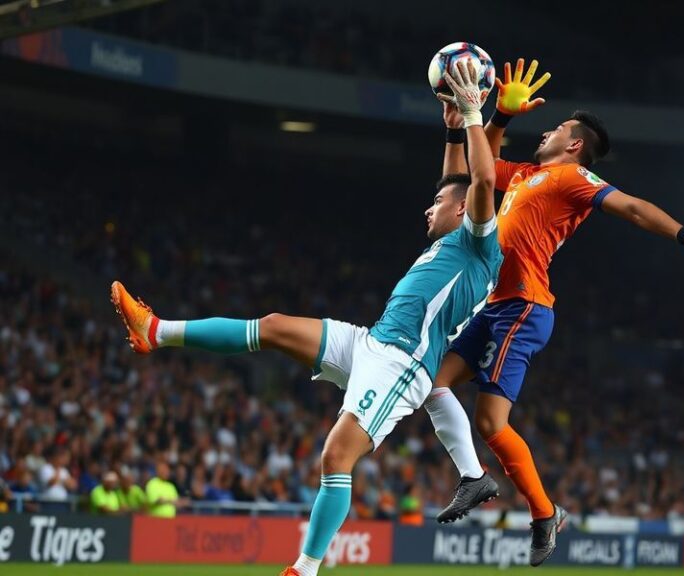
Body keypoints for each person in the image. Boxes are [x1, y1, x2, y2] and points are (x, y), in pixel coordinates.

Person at [111, 61, 502, 576]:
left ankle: (305, 569)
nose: (428, 208)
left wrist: (476, 113)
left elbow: (479, 180)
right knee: (272, 325)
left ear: (461, 211)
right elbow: (456, 177)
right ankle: (156, 332)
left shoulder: (478, 246)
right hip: (370, 342)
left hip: (402, 364)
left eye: (437, 203)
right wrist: (454, 123)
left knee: (335, 458)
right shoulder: (455, 237)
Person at [422, 58, 684, 567]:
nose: (544, 131)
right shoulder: (525, 175)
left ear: (573, 145)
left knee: (488, 420)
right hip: (492, 304)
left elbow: (632, 207)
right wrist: (483, 119)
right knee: (430, 384)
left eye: (556, 128)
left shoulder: (572, 178)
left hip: (522, 306)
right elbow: (468, 177)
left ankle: (544, 512)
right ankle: (476, 478)